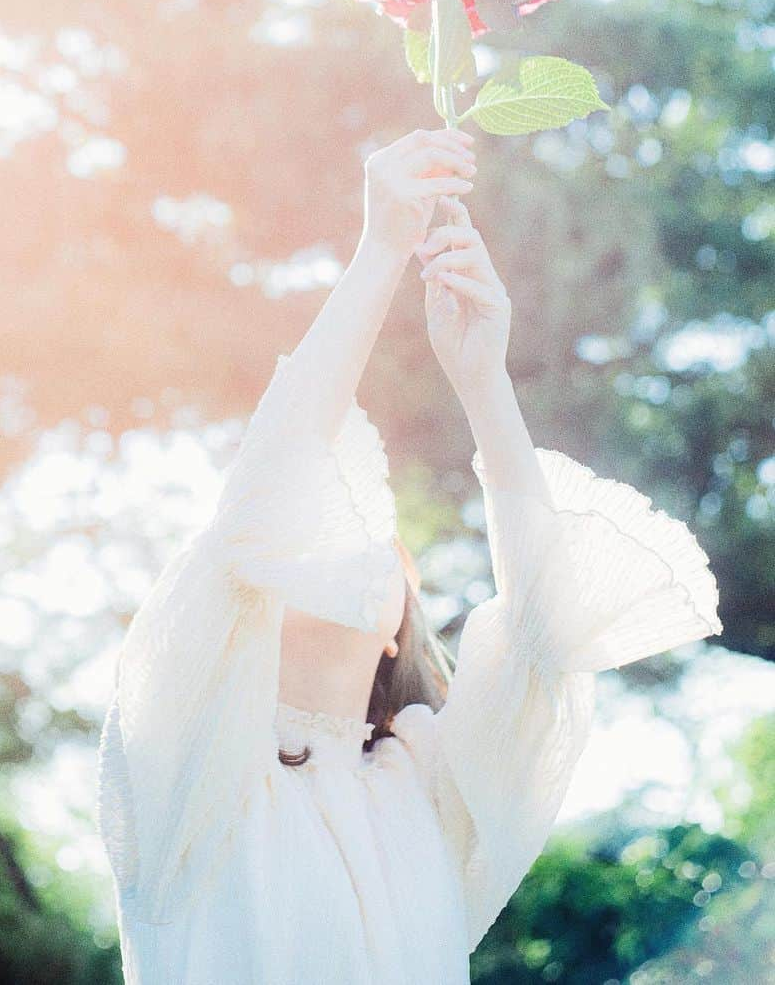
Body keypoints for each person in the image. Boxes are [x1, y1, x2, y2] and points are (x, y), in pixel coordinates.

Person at [94, 125, 722, 984]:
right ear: (245, 605)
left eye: (378, 544)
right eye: (323, 523)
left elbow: (548, 632)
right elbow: (263, 499)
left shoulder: (430, 787)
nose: (342, 542)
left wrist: (482, 378)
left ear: (399, 624)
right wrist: (381, 249)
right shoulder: (189, 753)